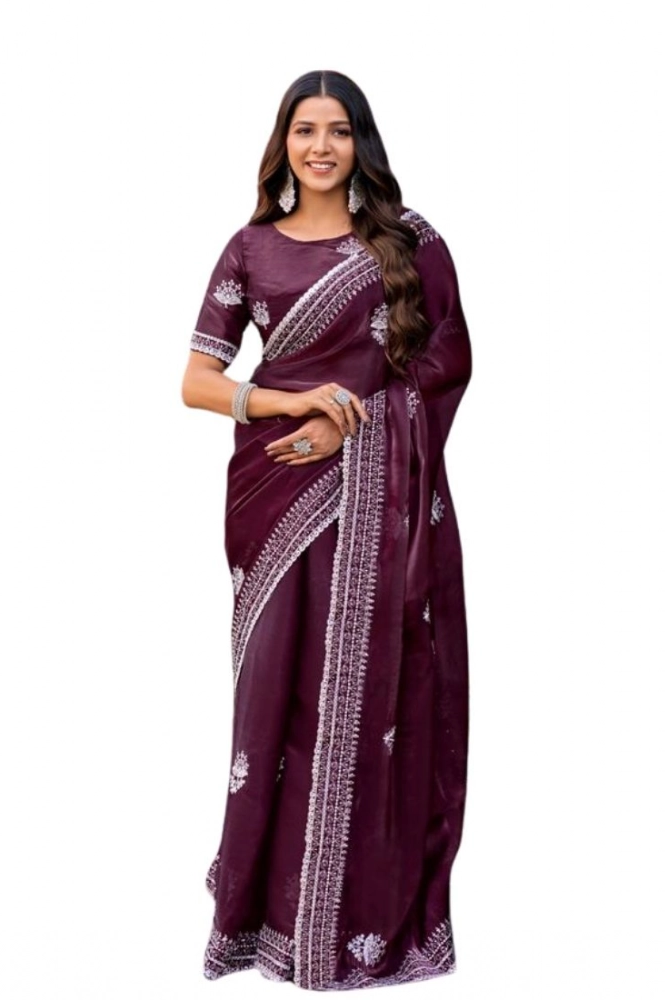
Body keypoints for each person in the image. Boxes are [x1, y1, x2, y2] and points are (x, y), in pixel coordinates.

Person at [180, 69, 473, 991]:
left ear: (361, 144)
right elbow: (196, 381)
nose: (320, 147)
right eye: (304, 130)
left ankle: (363, 928)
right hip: (274, 501)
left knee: (376, 701)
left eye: (338, 131)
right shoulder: (249, 249)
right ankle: (262, 922)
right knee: (275, 699)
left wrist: (355, 428)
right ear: (283, 143)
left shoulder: (409, 244)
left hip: (379, 509)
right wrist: (291, 402)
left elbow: (447, 363)